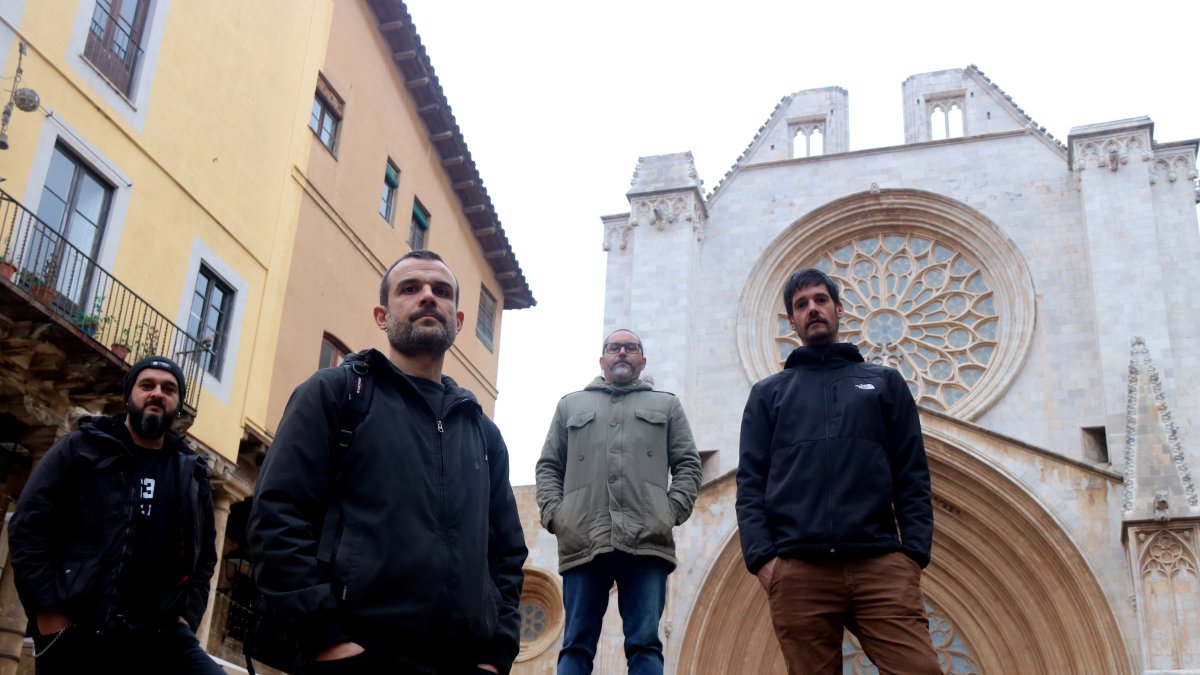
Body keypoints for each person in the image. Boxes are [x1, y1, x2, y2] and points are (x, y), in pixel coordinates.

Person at [249, 250, 527, 675]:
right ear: (382, 316)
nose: (428, 296)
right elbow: (277, 514)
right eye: (410, 288)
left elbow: (507, 555)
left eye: (442, 291)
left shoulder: (483, 433)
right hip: (354, 657)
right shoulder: (335, 394)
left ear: (459, 320)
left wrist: (496, 656)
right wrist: (326, 638)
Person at [735, 268, 940, 675]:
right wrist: (764, 561)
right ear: (791, 321)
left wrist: (912, 555)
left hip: (879, 563)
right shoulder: (768, 394)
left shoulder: (884, 382)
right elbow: (751, 482)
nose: (812, 309)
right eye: (801, 305)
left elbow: (912, 471)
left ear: (839, 309)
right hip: (799, 571)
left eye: (820, 300)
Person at [9, 356, 223, 675]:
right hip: (78, 630)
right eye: (147, 385)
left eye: (169, 389)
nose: (157, 393)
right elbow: (29, 527)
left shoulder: (190, 472)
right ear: (128, 395)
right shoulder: (80, 448)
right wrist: (47, 614)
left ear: (178, 406)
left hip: (161, 637)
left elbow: (204, 556)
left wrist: (186, 618)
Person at [535, 329, 702, 675]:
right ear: (602, 360)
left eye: (631, 348)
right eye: (614, 348)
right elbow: (549, 466)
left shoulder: (667, 405)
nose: (622, 352)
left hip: (648, 541)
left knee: (645, 645)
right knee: (576, 644)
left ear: (643, 360)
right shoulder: (570, 405)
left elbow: (688, 464)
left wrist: (670, 512)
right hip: (583, 539)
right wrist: (556, 515)